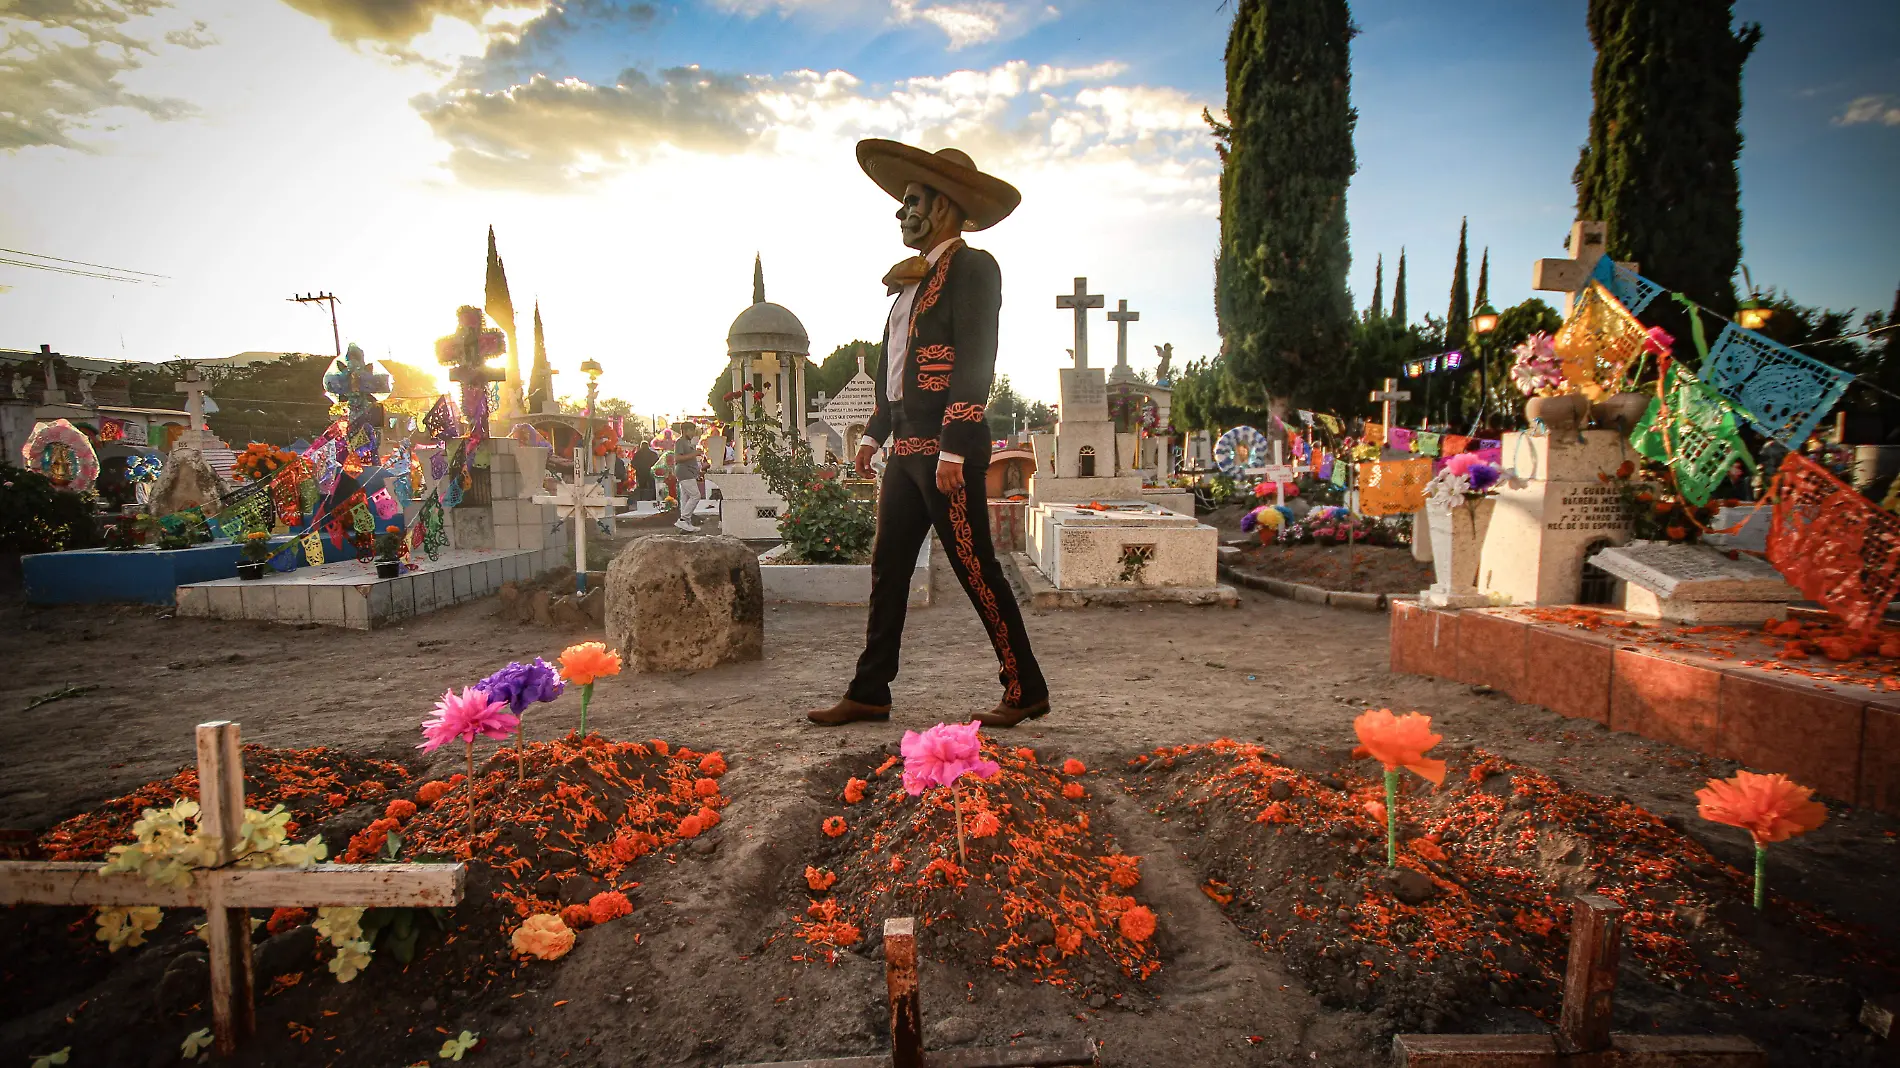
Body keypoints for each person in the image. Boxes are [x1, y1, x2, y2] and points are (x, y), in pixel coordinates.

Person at [808, 140, 1050, 729]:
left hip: (948, 452)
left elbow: (975, 360)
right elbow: (899, 376)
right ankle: (870, 691)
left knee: (974, 566)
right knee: (888, 567)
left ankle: (1025, 688)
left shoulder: (973, 267)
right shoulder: (908, 284)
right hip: (904, 453)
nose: (902, 211)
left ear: (945, 206)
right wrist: (871, 436)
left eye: (914, 200)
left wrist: (953, 445)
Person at [673, 423, 705, 532]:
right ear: (685, 430)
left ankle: (685, 525)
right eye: (691, 431)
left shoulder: (687, 443)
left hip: (689, 473)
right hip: (684, 472)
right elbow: (678, 458)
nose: (693, 433)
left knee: (685, 499)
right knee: (696, 496)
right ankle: (683, 519)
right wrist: (695, 454)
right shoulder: (680, 442)